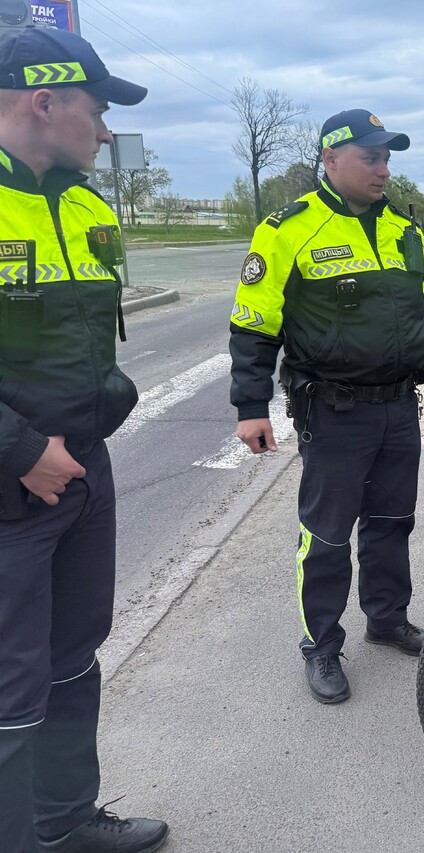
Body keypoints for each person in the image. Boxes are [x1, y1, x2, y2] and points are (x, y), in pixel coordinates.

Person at [229, 109, 424, 705]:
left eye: (387, 159)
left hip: (399, 406)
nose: (383, 170)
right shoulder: (288, 230)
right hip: (333, 412)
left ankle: (386, 619)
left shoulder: (404, 231)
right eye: (371, 158)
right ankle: (322, 645)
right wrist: (251, 405)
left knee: (392, 522)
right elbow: (254, 324)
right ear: (331, 159)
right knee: (328, 535)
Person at [0, 26, 169, 853]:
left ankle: (63, 822)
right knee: (8, 687)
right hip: (10, 486)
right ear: (45, 100)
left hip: (84, 472)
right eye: (97, 111)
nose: (106, 132)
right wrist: (19, 451)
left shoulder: (91, 205)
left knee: (73, 657)